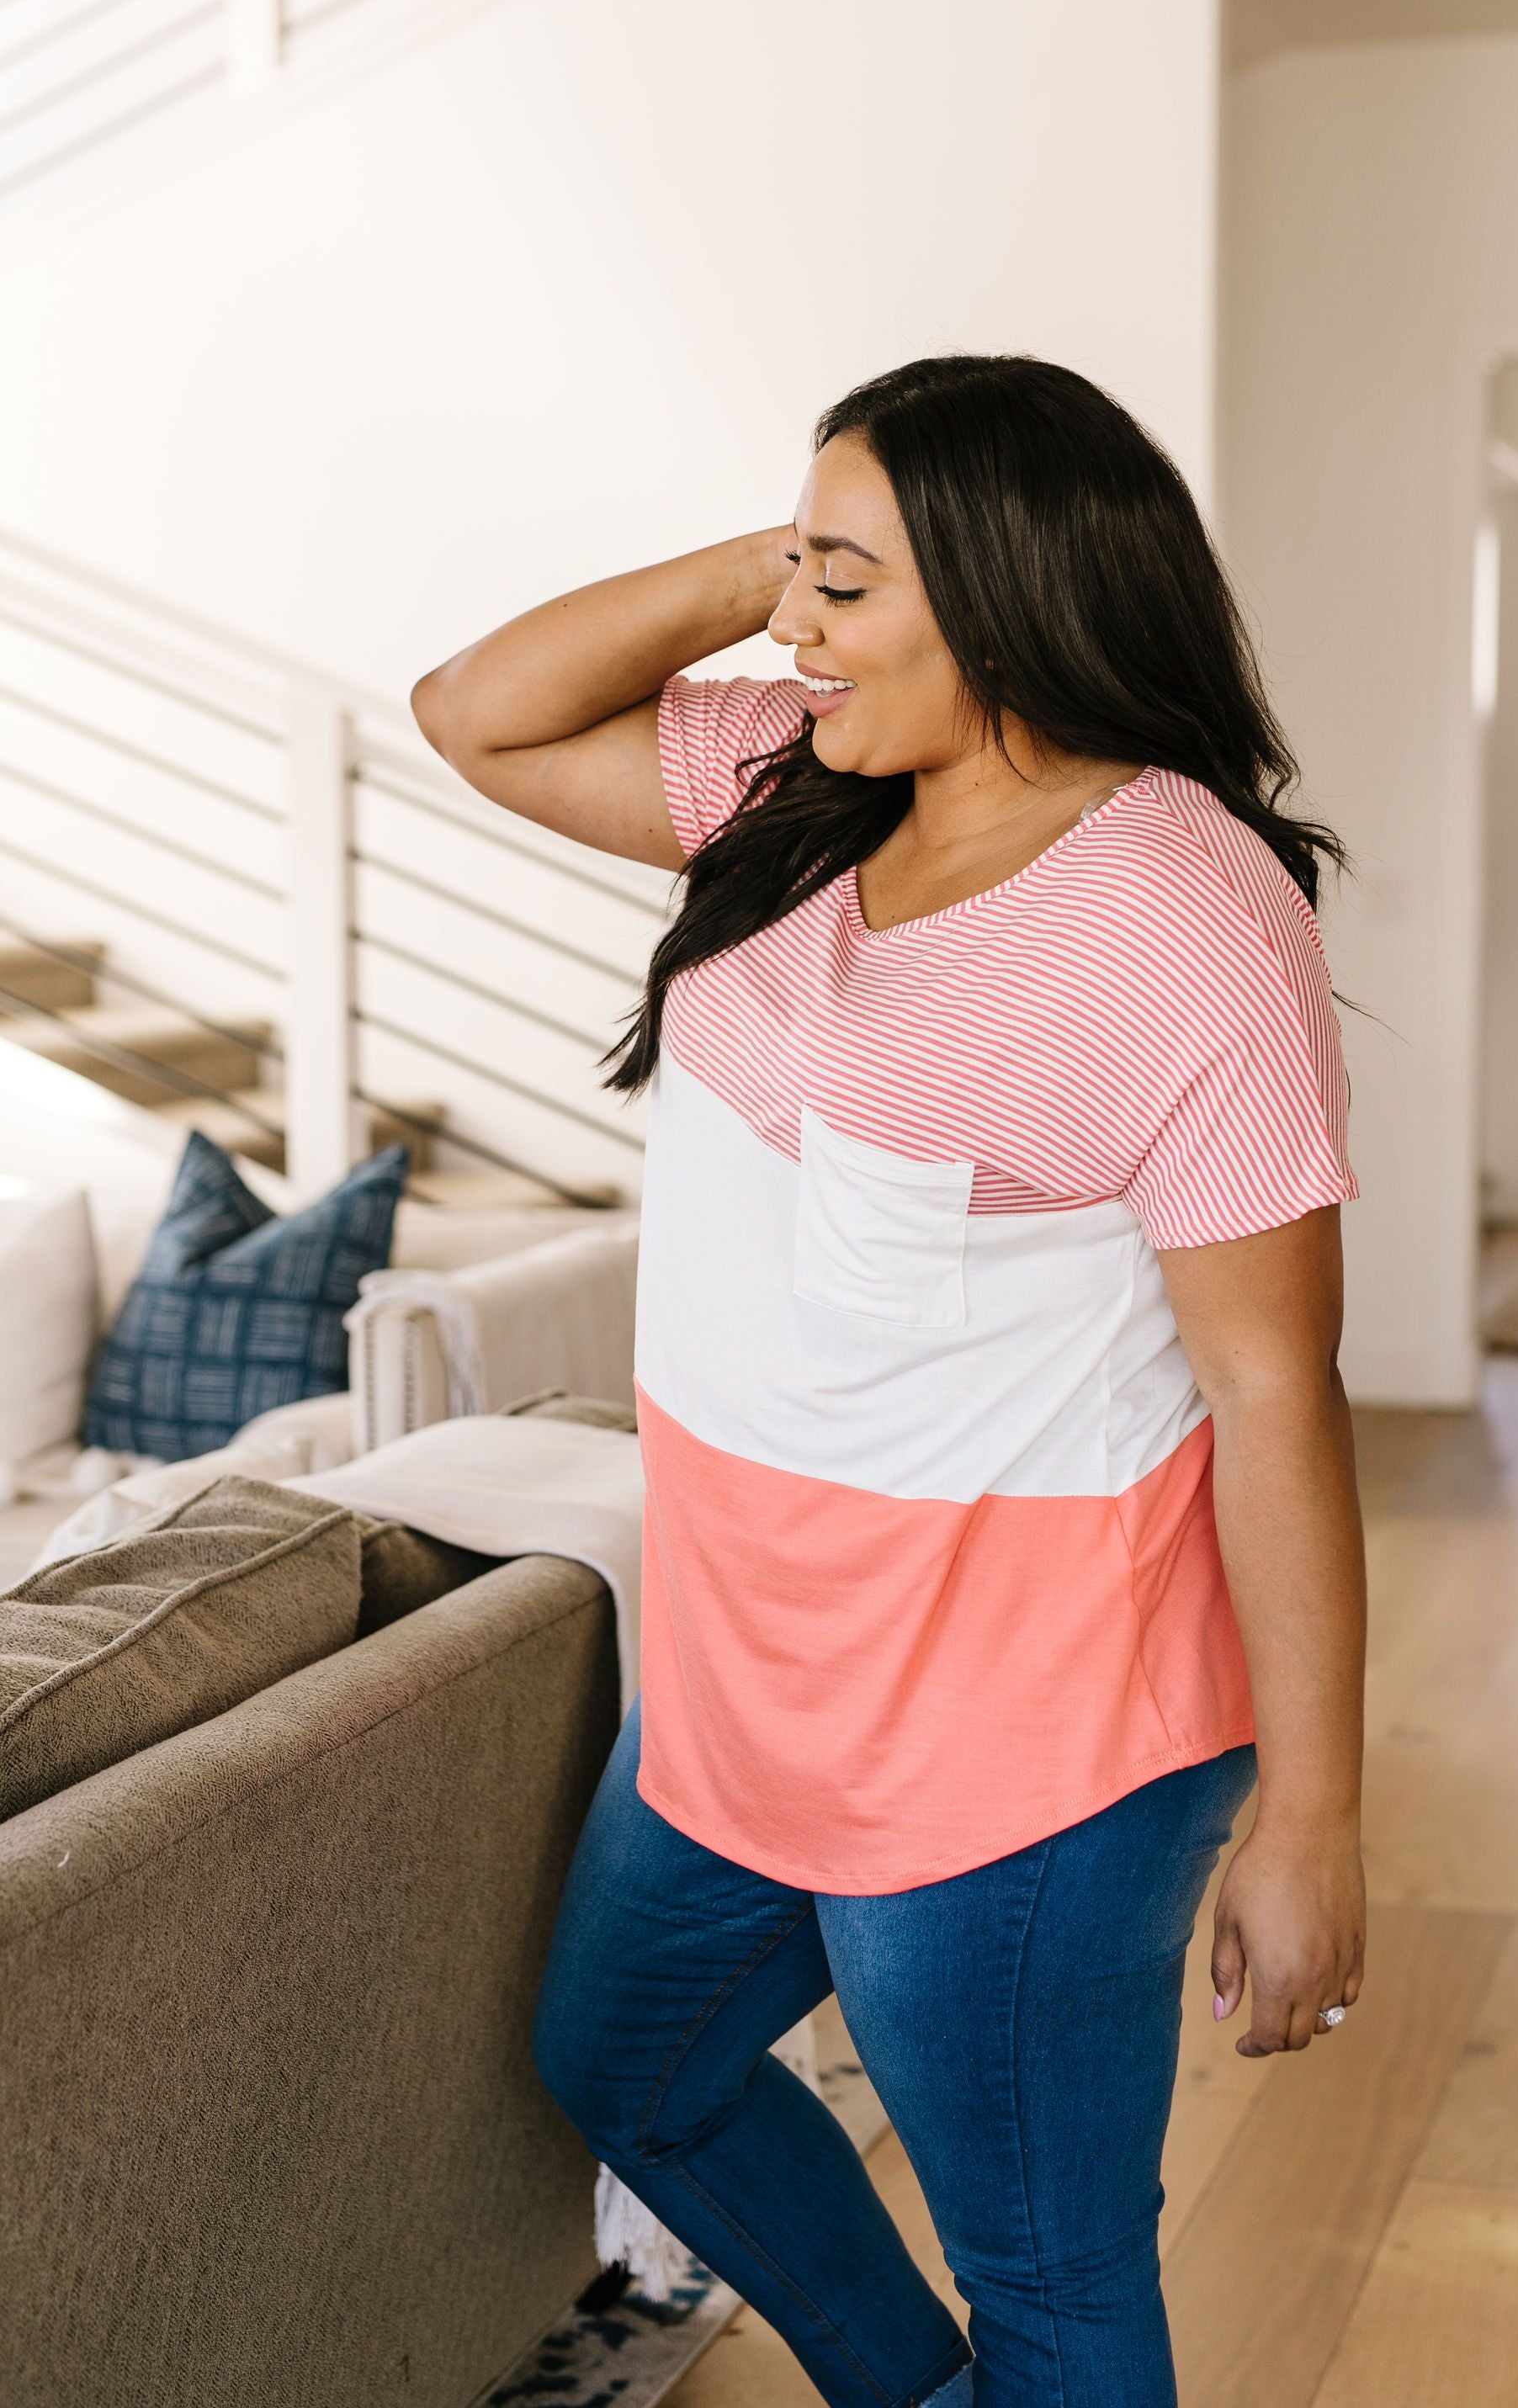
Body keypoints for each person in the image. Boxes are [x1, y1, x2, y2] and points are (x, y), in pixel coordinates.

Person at [411, 354, 1367, 2407]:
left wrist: (1316, 1816)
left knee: (1046, 2269)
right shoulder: (804, 787)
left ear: (1007, 602)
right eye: (800, 575)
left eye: (845, 586)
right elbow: (470, 714)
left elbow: (1279, 1395)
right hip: (758, 1673)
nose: (794, 627)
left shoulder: (1182, 926)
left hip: (1023, 1735)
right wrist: (789, 571)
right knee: (627, 2063)